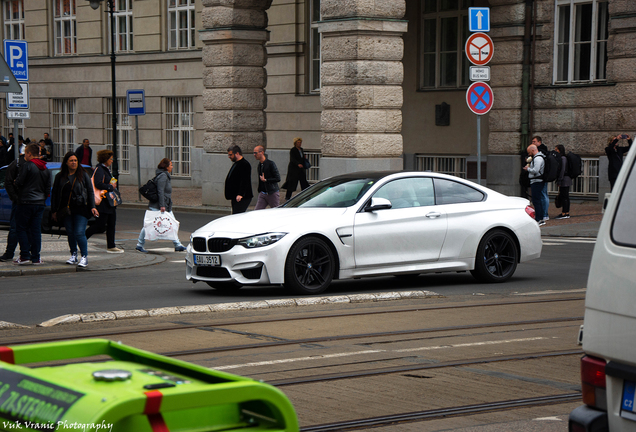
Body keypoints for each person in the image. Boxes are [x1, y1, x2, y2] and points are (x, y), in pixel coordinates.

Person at [51, 152, 99, 267]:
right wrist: (54, 210)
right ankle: (73, 254)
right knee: (70, 233)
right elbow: (55, 194)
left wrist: (92, 206)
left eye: (75, 161)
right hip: (66, 209)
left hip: (81, 208)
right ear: (66, 162)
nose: (74, 163)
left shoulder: (83, 175)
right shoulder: (60, 176)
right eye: (71, 161)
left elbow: (90, 191)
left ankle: (84, 256)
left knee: (79, 232)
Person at [136, 158, 187, 253]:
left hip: (165, 205)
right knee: (149, 225)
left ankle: (177, 244)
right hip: (159, 206)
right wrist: (162, 205)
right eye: (171, 165)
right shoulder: (163, 176)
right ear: (166, 167)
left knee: (172, 224)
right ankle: (139, 244)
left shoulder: (164, 175)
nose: (172, 167)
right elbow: (160, 191)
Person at [13, 143, 50, 265]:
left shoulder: (28, 165)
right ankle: (36, 257)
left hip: (25, 202)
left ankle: (24, 256)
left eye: (25, 154)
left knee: (21, 228)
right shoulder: (45, 168)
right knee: (36, 230)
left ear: (29, 154)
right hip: (39, 203)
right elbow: (47, 188)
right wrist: (43, 198)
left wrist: (16, 183)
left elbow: (19, 182)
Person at [85, 150, 124, 253]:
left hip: (109, 202)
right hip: (103, 202)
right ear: (105, 159)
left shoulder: (105, 169)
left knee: (111, 224)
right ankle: (82, 239)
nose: (112, 161)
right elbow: (97, 184)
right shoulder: (99, 169)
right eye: (111, 159)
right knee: (100, 224)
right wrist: (110, 186)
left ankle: (111, 246)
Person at [0, 153, 25, 262]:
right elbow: (8, 183)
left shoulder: (35, 165)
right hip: (19, 201)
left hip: (30, 201)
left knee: (28, 229)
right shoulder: (17, 164)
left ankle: (26, 253)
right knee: (15, 228)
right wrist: (15, 198)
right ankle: (10, 252)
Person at [224, 145, 253, 214]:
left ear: (237, 153)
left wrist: (240, 194)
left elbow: (245, 180)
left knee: (238, 215)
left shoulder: (244, 164)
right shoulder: (236, 163)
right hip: (236, 196)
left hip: (241, 197)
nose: (229, 156)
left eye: (231, 155)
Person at [523, 144, 546, 226]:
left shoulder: (538, 159)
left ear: (533, 150)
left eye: (529, 152)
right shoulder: (537, 158)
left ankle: (539, 219)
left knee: (537, 200)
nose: (529, 154)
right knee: (537, 200)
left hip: (537, 181)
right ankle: (540, 217)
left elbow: (536, 170)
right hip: (536, 181)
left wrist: (528, 169)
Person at [253, 145, 281, 210]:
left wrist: (266, 180)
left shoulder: (270, 164)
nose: (254, 155)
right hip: (263, 193)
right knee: (257, 212)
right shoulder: (259, 165)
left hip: (272, 192)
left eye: (256, 153)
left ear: (262, 152)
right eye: (254, 153)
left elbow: (278, 178)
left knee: (276, 211)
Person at [531, 136, 550, 221]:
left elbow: (536, 169)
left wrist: (528, 169)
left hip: (540, 178)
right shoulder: (541, 153)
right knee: (542, 195)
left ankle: (543, 215)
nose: (533, 143)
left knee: (542, 195)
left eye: (534, 141)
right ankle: (543, 214)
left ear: (539, 142)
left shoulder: (540, 153)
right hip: (541, 177)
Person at [554, 144, 571, 220]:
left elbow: (562, 170)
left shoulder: (563, 158)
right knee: (565, 196)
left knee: (564, 196)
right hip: (566, 179)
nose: (555, 151)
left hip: (564, 179)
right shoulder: (563, 158)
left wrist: (559, 180)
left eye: (556, 150)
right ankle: (565, 212)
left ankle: (565, 212)